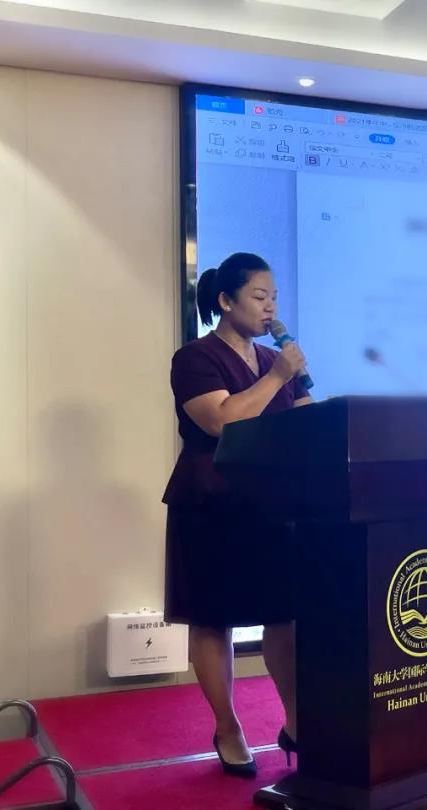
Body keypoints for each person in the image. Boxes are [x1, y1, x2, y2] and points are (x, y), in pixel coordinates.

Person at [162, 252, 313, 778]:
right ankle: (227, 728)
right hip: (211, 504)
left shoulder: (276, 360)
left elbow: (307, 423)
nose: (271, 307)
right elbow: (223, 421)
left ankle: (298, 722)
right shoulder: (194, 357)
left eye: (275, 298)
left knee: (285, 615)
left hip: (272, 505)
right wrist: (279, 377)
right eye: (259, 296)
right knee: (213, 618)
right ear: (226, 301)